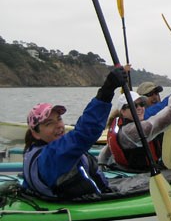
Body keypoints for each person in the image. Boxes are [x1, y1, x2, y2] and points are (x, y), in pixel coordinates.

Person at [23, 67, 127, 199]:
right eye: (49, 123)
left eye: (59, 119)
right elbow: (84, 133)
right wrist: (106, 91)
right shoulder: (51, 157)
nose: (59, 126)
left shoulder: (37, 152)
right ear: (36, 134)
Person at [100, 56, 171, 171]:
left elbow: (107, 150)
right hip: (141, 175)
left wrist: (101, 165)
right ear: (122, 111)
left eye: (141, 104)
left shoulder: (122, 123)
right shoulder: (136, 126)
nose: (139, 108)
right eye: (150, 94)